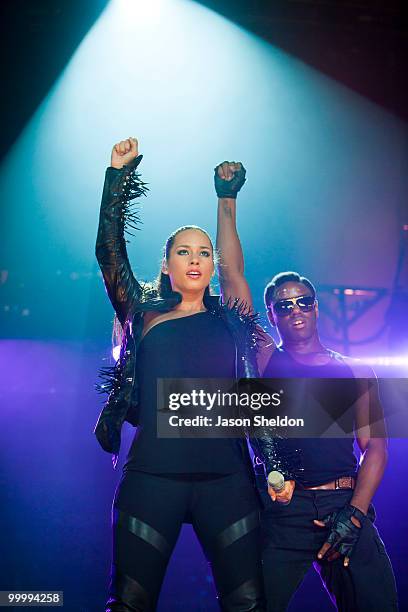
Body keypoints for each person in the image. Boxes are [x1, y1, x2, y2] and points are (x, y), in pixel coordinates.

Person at [95, 138, 269, 611]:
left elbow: (236, 269)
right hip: (154, 478)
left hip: (227, 481)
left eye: (204, 253)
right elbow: (109, 252)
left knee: (249, 604)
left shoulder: (231, 318)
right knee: (129, 603)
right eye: (184, 252)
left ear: (211, 266)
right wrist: (117, 177)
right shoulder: (143, 314)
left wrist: (226, 199)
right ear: (167, 266)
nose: (195, 259)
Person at [214, 164, 398, 611]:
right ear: (271, 315)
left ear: (317, 308)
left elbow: (374, 449)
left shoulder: (355, 371)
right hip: (284, 511)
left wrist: (354, 516)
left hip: (343, 504)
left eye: (303, 301)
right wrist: (226, 199)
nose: (295, 309)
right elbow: (231, 277)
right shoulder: (265, 357)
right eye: (283, 305)